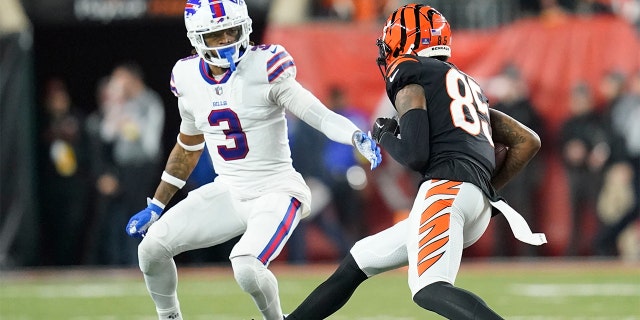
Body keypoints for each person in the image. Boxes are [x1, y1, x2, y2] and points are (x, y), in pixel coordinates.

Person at [124, 1, 381, 320]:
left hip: (276, 191)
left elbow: (318, 114)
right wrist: (156, 206)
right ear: (197, 38)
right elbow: (188, 145)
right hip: (229, 192)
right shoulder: (187, 76)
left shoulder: (267, 65)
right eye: (217, 34)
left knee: (245, 265)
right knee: (151, 249)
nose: (227, 40)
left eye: (232, 30)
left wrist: (354, 135)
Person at [285, 4, 544, 320]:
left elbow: (414, 154)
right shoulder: (466, 85)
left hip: (445, 192)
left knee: (429, 288)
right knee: (358, 261)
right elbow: (526, 140)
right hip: (471, 199)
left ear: (403, 41)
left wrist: (384, 133)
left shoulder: (410, 71)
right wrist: (483, 189)